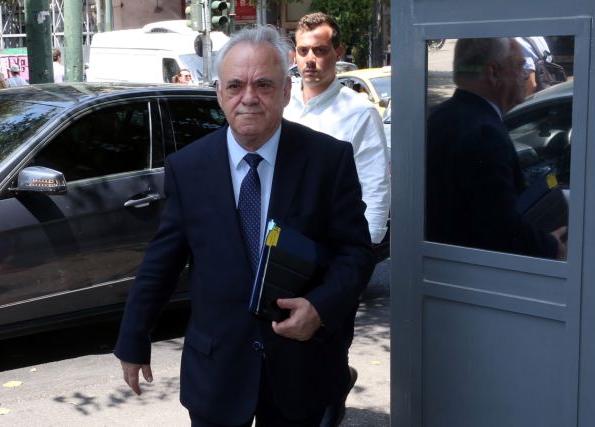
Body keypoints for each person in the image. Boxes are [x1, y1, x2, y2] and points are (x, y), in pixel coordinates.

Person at [114, 25, 375, 427]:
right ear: (219, 93)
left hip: (301, 368)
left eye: (263, 85)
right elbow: (162, 262)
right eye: (235, 85)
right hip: (217, 370)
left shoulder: (328, 160)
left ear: (285, 91)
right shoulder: (188, 167)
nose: (249, 97)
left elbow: (355, 254)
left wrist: (320, 308)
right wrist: (134, 338)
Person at [282, 12, 391, 426]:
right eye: (304, 50)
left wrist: (362, 255)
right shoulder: (281, 105)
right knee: (288, 346)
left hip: (334, 254)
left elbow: (375, 186)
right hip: (284, 250)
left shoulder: (358, 113)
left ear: (338, 53)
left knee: (329, 345)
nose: (311, 59)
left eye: (321, 50)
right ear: (294, 54)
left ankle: (332, 400)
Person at [426, 37, 566, 259]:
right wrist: (552, 247)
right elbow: (499, 225)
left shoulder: (439, 115)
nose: (525, 75)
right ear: (493, 73)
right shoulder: (485, 132)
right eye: (519, 66)